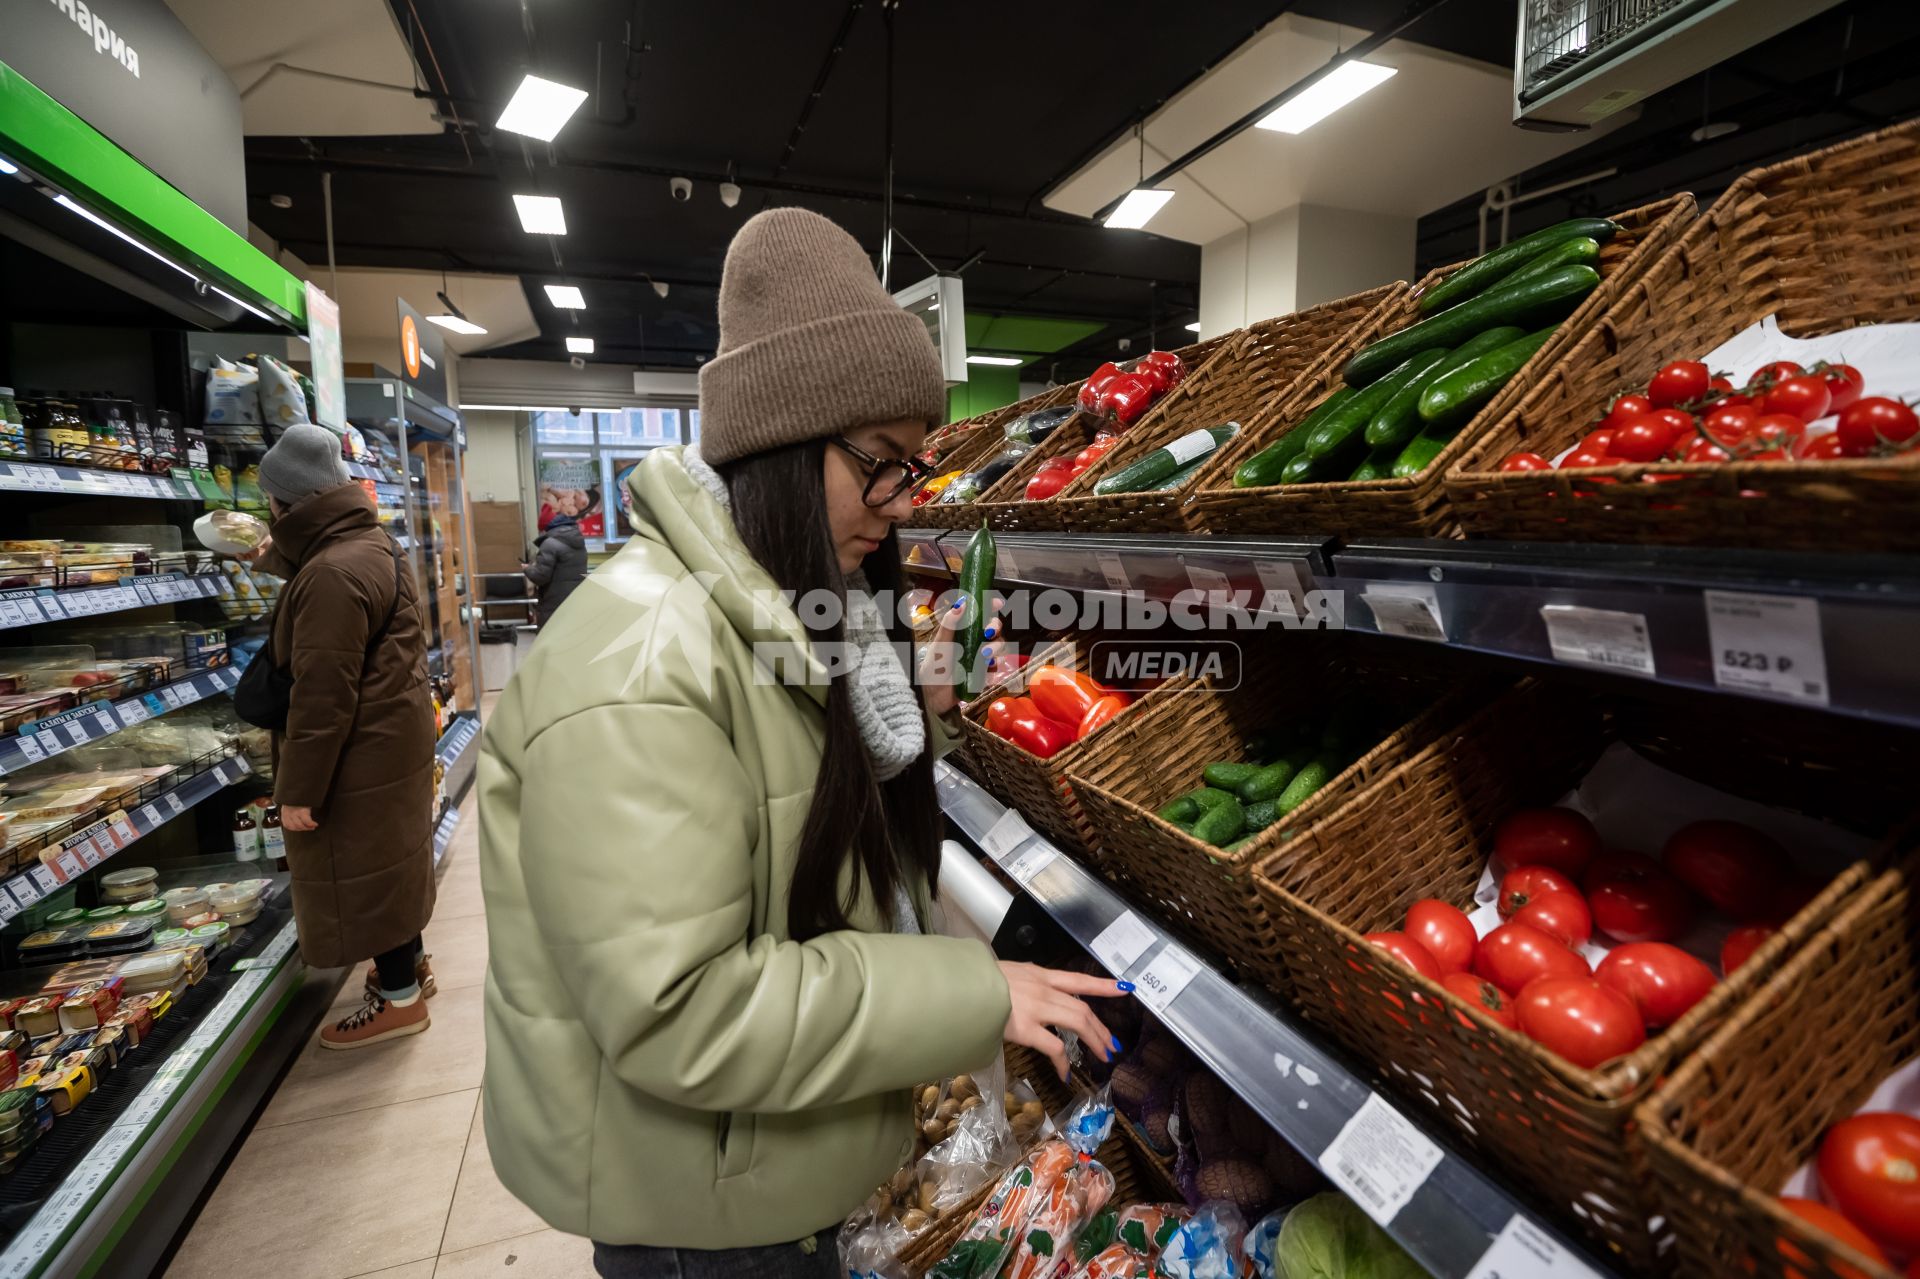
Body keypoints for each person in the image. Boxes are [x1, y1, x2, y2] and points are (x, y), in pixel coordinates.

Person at [478, 208, 1124, 1277]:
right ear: (779, 442)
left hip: (760, 1166)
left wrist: (923, 727)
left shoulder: (788, 615)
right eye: (881, 463)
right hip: (700, 1214)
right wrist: (977, 991)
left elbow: (792, 842)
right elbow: (682, 1006)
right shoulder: (642, 658)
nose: (898, 501)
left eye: (911, 468)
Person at [248, 424, 439, 1049]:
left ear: (286, 503)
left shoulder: (332, 573)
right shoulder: (369, 544)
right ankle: (409, 972)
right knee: (389, 861)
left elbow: (323, 696)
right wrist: (274, 556)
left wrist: (297, 790)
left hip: (357, 750)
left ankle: (400, 1001)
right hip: (389, 738)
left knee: (363, 869)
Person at [523, 510, 587, 625]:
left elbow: (540, 577)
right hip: (576, 597)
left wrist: (527, 568)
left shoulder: (550, 544)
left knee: (550, 635)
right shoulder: (579, 541)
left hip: (554, 600)